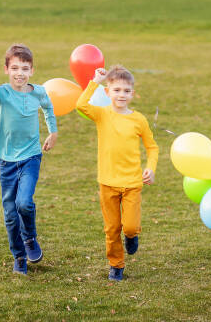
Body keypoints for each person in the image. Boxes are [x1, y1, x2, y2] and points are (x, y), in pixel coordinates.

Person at [0, 37, 58, 275]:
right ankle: (19, 256)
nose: (20, 73)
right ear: (6, 70)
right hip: (7, 161)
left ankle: (30, 239)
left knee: (24, 203)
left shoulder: (38, 92)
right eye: (14, 68)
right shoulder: (3, 93)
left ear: (32, 70)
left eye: (25, 69)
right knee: (10, 214)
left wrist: (53, 131)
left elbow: (48, 107)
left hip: (31, 157)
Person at [76, 65, 159, 281]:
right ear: (107, 92)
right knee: (112, 229)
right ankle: (116, 264)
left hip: (132, 182)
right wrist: (95, 80)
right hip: (107, 181)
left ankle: (132, 236)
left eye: (126, 91)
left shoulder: (138, 119)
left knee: (129, 226)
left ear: (132, 93)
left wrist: (150, 167)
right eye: (117, 90)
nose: (121, 95)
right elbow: (80, 105)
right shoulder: (101, 114)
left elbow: (152, 147)